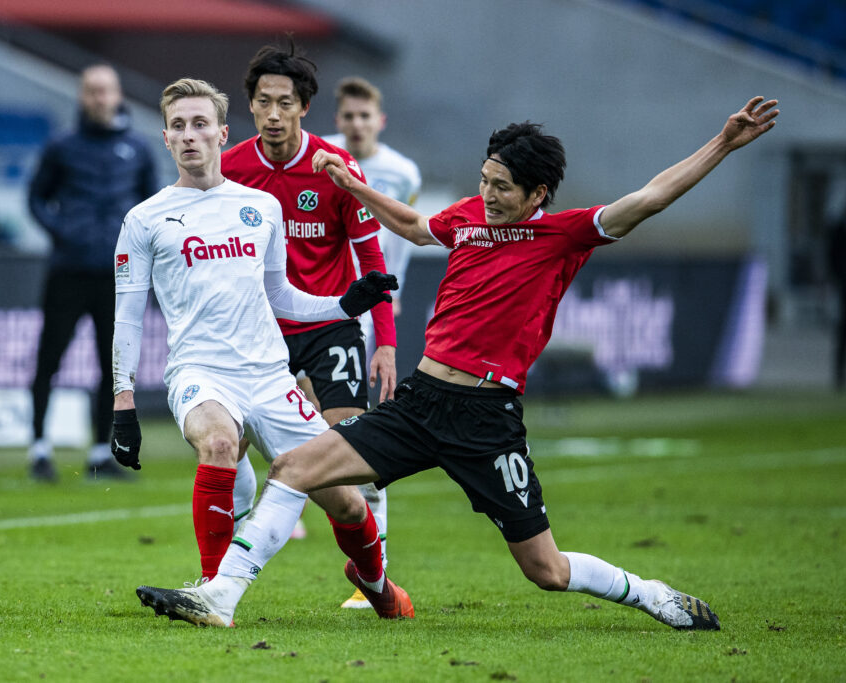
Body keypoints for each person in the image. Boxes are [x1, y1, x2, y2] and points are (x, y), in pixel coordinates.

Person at [139, 96, 779, 630]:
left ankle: (650, 593)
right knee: (294, 466)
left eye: (503, 188)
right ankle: (221, 598)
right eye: (484, 180)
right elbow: (418, 228)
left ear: (539, 194)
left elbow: (651, 198)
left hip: (486, 420)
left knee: (546, 571)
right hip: (420, 403)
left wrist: (722, 143)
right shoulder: (470, 217)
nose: (488, 195)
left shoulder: (566, 234)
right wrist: (357, 187)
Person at [109, 78, 410, 620]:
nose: (190, 136)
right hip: (200, 372)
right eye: (178, 126)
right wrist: (122, 401)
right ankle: (211, 589)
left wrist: (344, 305)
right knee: (220, 445)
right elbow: (127, 317)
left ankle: (379, 585)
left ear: (223, 134)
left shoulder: (260, 207)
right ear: (165, 138)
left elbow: (283, 297)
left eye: (201, 124)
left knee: (346, 499)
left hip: (271, 376)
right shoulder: (144, 220)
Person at [220, 44, 398, 602]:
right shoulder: (230, 169)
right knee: (229, 445)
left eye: (285, 104)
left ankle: (375, 573)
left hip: (328, 325)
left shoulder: (337, 170)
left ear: (304, 108)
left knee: (352, 455)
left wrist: (386, 343)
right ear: (250, 106)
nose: (273, 114)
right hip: (258, 331)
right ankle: (225, 565)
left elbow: (373, 264)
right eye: (263, 103)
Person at [27, 64, 158, 482]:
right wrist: (63, 233)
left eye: (106, 90)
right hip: (67, 271)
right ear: (82, 96)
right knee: (49, 360)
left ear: (118, 94)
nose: (100, 98)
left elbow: (151, 208)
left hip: (117, 279)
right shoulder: (61, 146)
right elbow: (35, 198)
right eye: (92, 91)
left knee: (114, 367)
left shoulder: (138, 149)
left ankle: (102, 453)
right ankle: (39, 450)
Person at [323, 76, 422, 609]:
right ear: (338, 121)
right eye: (350, 117)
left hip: (367, 316)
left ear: (379, 121)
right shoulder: (318, 159)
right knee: (298, 427)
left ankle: (375, 564)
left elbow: (399, 243)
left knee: (361, 436)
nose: (357, 125)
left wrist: (389, 307)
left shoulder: (402, 172)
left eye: (367, 117)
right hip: (317, 313)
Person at [828, 196, 846, 390]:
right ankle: (840, 374)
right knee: (845, 330)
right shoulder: (843, 226)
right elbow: (833, 255)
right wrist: (840, 278)